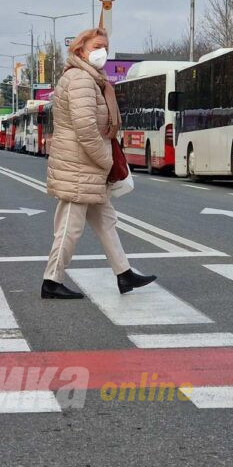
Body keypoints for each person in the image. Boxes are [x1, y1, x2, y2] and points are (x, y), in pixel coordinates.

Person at [41, 27, 156, 299]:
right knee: (70, 226)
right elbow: (86, 130)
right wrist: (107, 162)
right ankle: (51, 281)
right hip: (80, 167)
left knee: (106, 221)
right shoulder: (81, 79)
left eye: (105, 46)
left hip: (87, 167)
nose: (102, 52)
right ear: (80, 49)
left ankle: (124, 274)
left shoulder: (92, 79)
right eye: (96, 46)